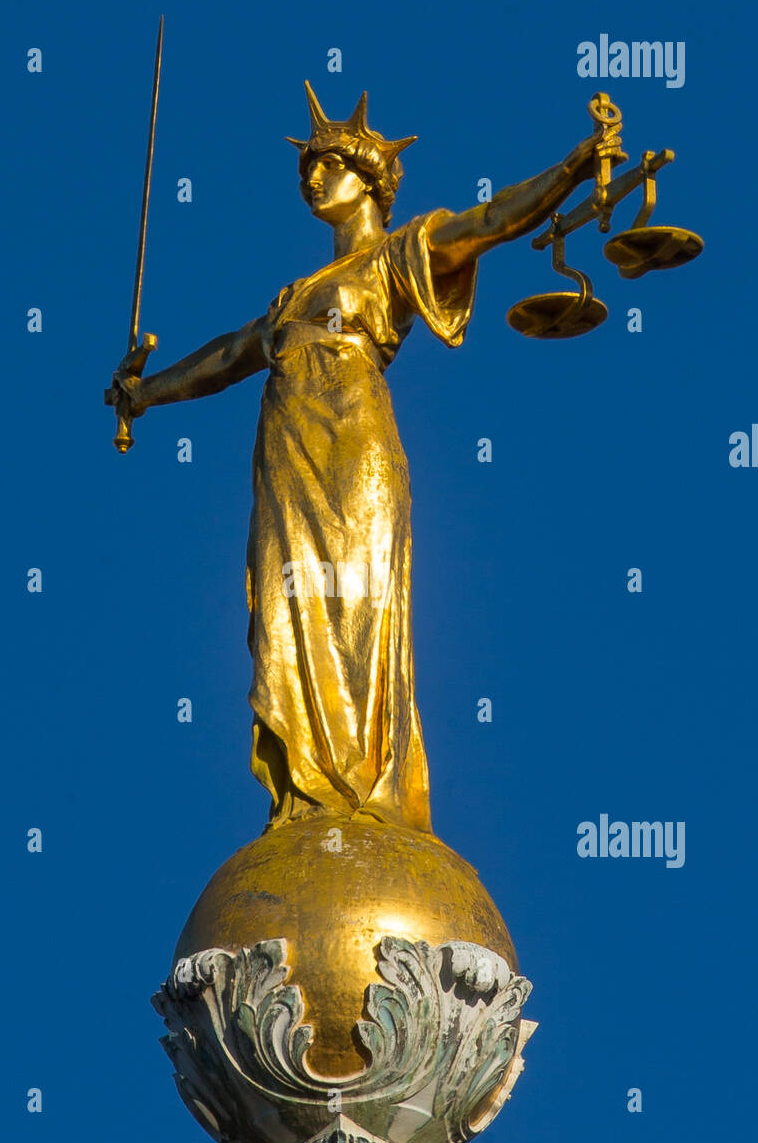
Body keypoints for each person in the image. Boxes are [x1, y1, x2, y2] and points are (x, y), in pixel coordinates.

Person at [110, 83, 622, 833]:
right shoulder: (293, 297)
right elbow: (226, 356)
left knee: (361, 600)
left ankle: (363, 785)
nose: (313, 179)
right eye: (306, 169)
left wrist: (576, 167)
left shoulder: (398, 253)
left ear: (372, 180)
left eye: (330, 165)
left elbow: (493, 220)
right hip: (287, 453)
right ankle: (307, 788)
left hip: (356, 447)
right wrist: (144, 393)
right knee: (289, 609)